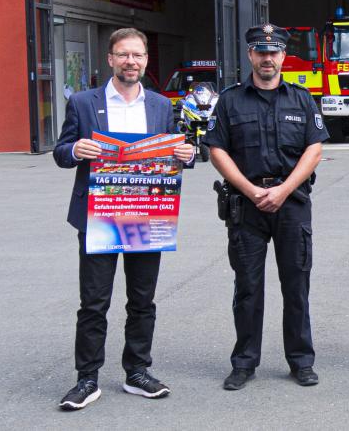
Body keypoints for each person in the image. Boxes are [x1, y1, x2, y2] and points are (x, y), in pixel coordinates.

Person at [53, 27, 195, 410]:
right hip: (98, 215)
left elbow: (176, 149)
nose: (131, 61)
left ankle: (137, 371)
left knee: (142, 300)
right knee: (94, 302)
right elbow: (61, 151)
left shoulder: (161, 106)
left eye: (138, 55)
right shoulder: (84, 103)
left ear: (146, 61)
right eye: (123, 55)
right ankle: (87, 379)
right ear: (110, 59)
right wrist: (74, 150)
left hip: (148, 215)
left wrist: (188, 155)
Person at [202, 23, 329, 390]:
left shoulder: (302, 98)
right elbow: (216, 149)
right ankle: (244, 363)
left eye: (274, 52)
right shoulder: (229, 100)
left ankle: (301, 361)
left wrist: (284, 190)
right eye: (261, 51)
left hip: (292, 204)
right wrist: (251, 190)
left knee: (296, 286)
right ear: (250, 55)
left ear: (283, 56)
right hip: (246, 205)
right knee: (248, 287)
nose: (267, 58)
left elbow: (314, 148)